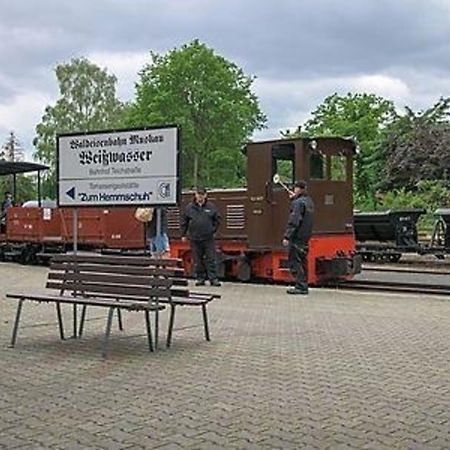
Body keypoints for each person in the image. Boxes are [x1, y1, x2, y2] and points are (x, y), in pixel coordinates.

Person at [181, 187, 221, 286]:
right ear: (195, 195)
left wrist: (212, 230)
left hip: (208, 238)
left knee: (211, 258)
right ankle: (200, 278)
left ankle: (213, 279)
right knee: (197, 259)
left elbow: (217, 220)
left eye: (202, 194)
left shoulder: (211, 207)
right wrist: (183, 234)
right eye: (198, 194)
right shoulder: (189, 208)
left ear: (205, 195)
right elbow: (184, 222)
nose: (200, 196)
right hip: (194, 238)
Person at [282, 180, 314, 295]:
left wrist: (287, 236)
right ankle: (304, 285)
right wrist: (294, 199)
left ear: (298, 189)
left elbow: (294, 220)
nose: (293, 190)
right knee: (303, 262)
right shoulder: (309, 202)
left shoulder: (298, 203)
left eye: (295, 188)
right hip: (305, 237)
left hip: (296, 237)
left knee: (295, 262)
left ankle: (300, 286)